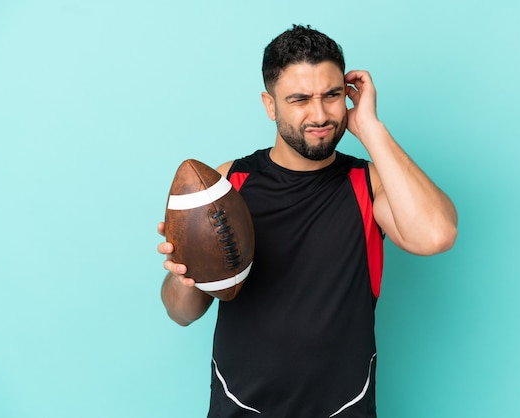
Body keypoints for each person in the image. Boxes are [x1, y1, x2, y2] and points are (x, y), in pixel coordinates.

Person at [157, 24, 457, 418]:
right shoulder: (228, 184)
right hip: (238, 408)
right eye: (299, 99)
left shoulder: (369, 183)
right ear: (270, 105)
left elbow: (436, 234)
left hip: (343, 409)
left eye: (332, 95)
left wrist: (370, 129)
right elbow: (181, 314)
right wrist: (186, 274)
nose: (320, 114)